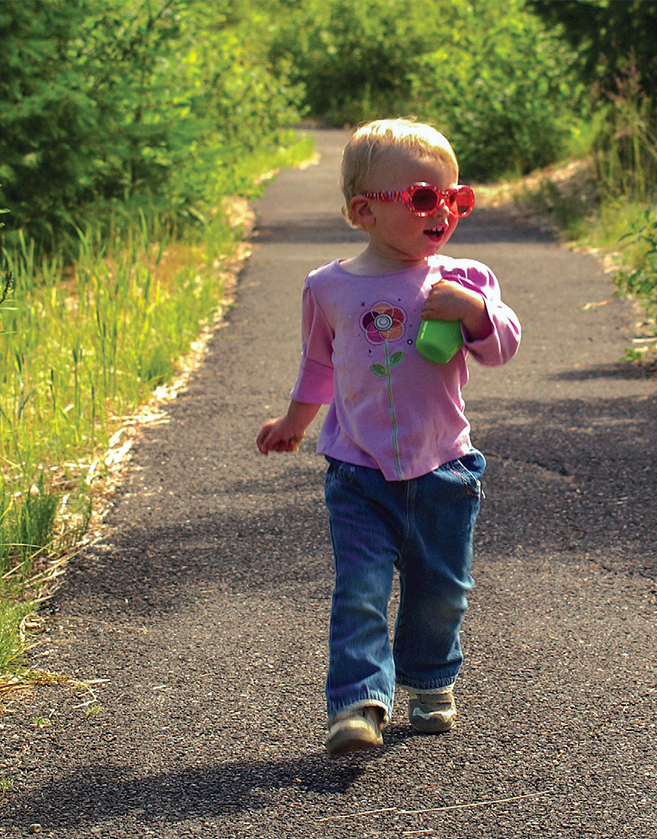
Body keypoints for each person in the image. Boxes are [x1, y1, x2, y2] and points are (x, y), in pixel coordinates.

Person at [256, 118, 521, 756]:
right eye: (425, 198)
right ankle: (357, 703)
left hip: (444, 471)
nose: (444, 213)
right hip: (357, 473)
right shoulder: (329, 287)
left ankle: (430, 681)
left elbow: (503, 347)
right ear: (363, 210)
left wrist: (476, 312)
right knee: (361, 590)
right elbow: (319, 365)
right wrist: (294, 421)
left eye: (456, 198)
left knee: (441, 592)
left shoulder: (464, 277)